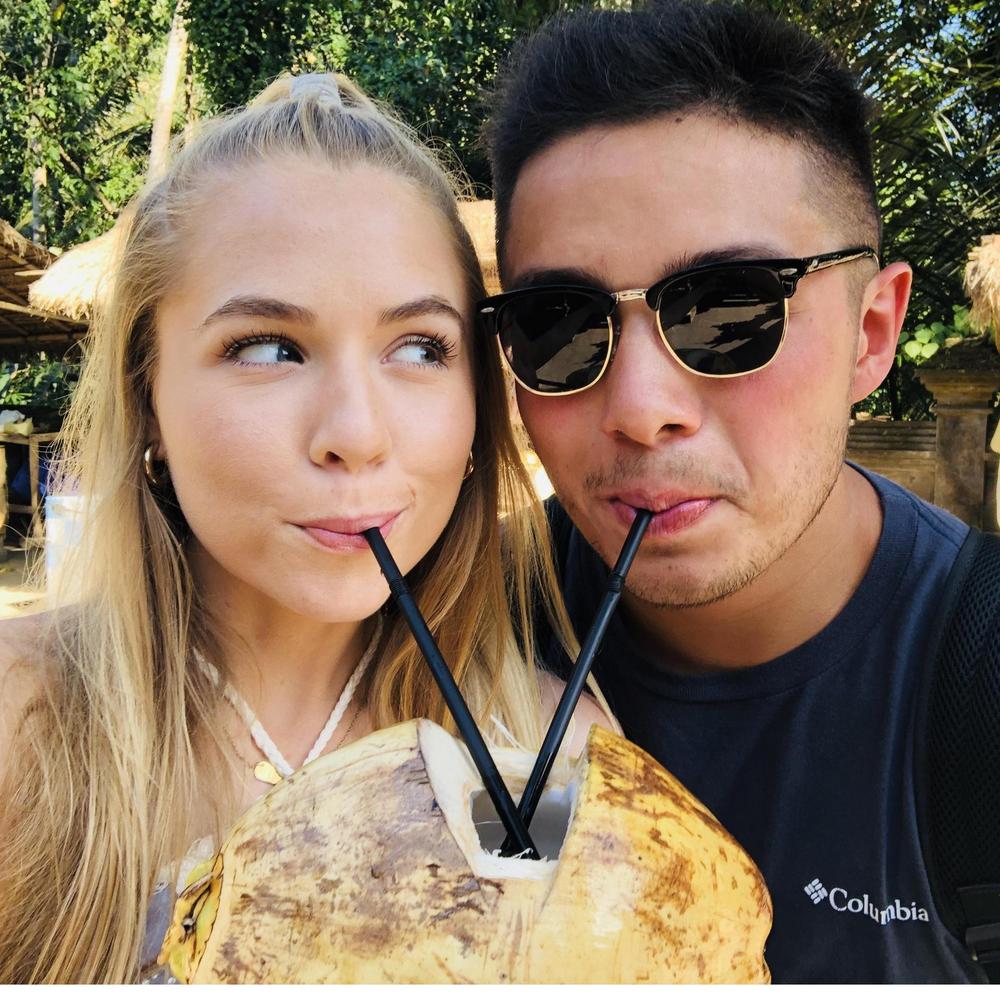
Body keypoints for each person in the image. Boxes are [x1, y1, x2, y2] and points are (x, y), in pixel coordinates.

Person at [0, 72, 612, 984]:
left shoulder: (552, 755)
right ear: (147, 398)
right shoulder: (20, 723)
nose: (356, 434)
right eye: (267, 348)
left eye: (419, 348)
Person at [481, 0, 988, 984]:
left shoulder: (981, 689)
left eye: (727, 310)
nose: (641, 409)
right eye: (560, 325)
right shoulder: (440, 636)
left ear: (872, 333)